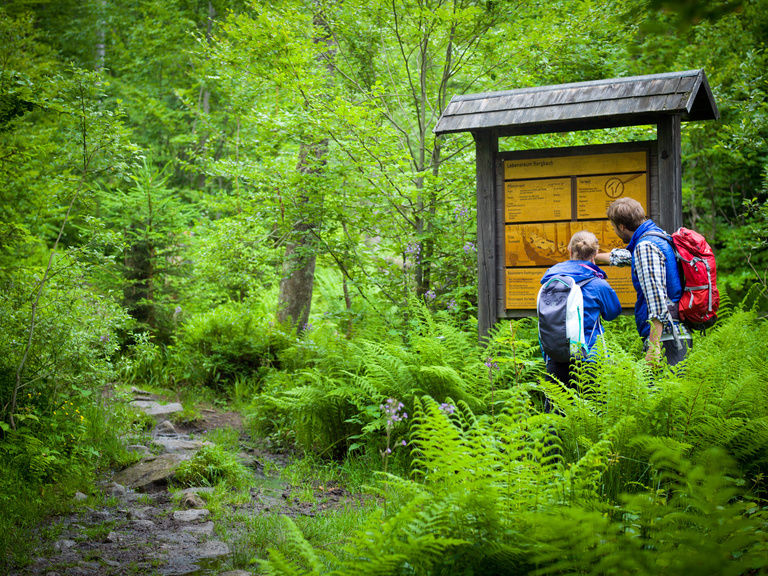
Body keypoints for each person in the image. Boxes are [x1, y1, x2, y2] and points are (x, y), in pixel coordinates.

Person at [596, 197, 691, 366]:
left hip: (666, 338)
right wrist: (594, 257)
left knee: (662, 390)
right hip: (675, 332)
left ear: (622, 226)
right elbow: (631, 258)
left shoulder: (645, 247)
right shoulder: (657, 236)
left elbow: (657, 300)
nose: (614, 231)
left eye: (613, 227)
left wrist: (654, 347)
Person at [540, 230, 622, 388]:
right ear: (596, 253)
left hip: (555, 356)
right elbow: (613, 312)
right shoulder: (598, 285)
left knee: (557, 410)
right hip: (590, 357)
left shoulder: (550, 281)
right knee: (592, 409)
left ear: (569, 250)